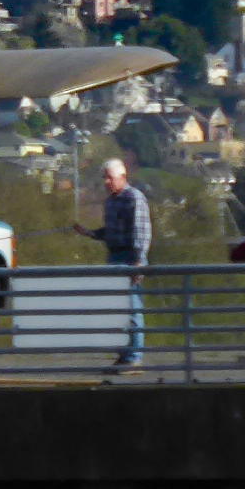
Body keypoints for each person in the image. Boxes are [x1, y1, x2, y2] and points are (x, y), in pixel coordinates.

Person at [74, 158, 151, 369]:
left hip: (130, 257)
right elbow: (109, 232)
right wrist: (89, 233)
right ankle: (124, 353)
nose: (106, 181)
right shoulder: (110, 201)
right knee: (118, 310)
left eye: (110, 177)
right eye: (105, 177)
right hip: (114, 256)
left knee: (132, 308)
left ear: (122, 177)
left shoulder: (134, 198)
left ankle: (134, 356)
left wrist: (137, 262)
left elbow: (141, 232)